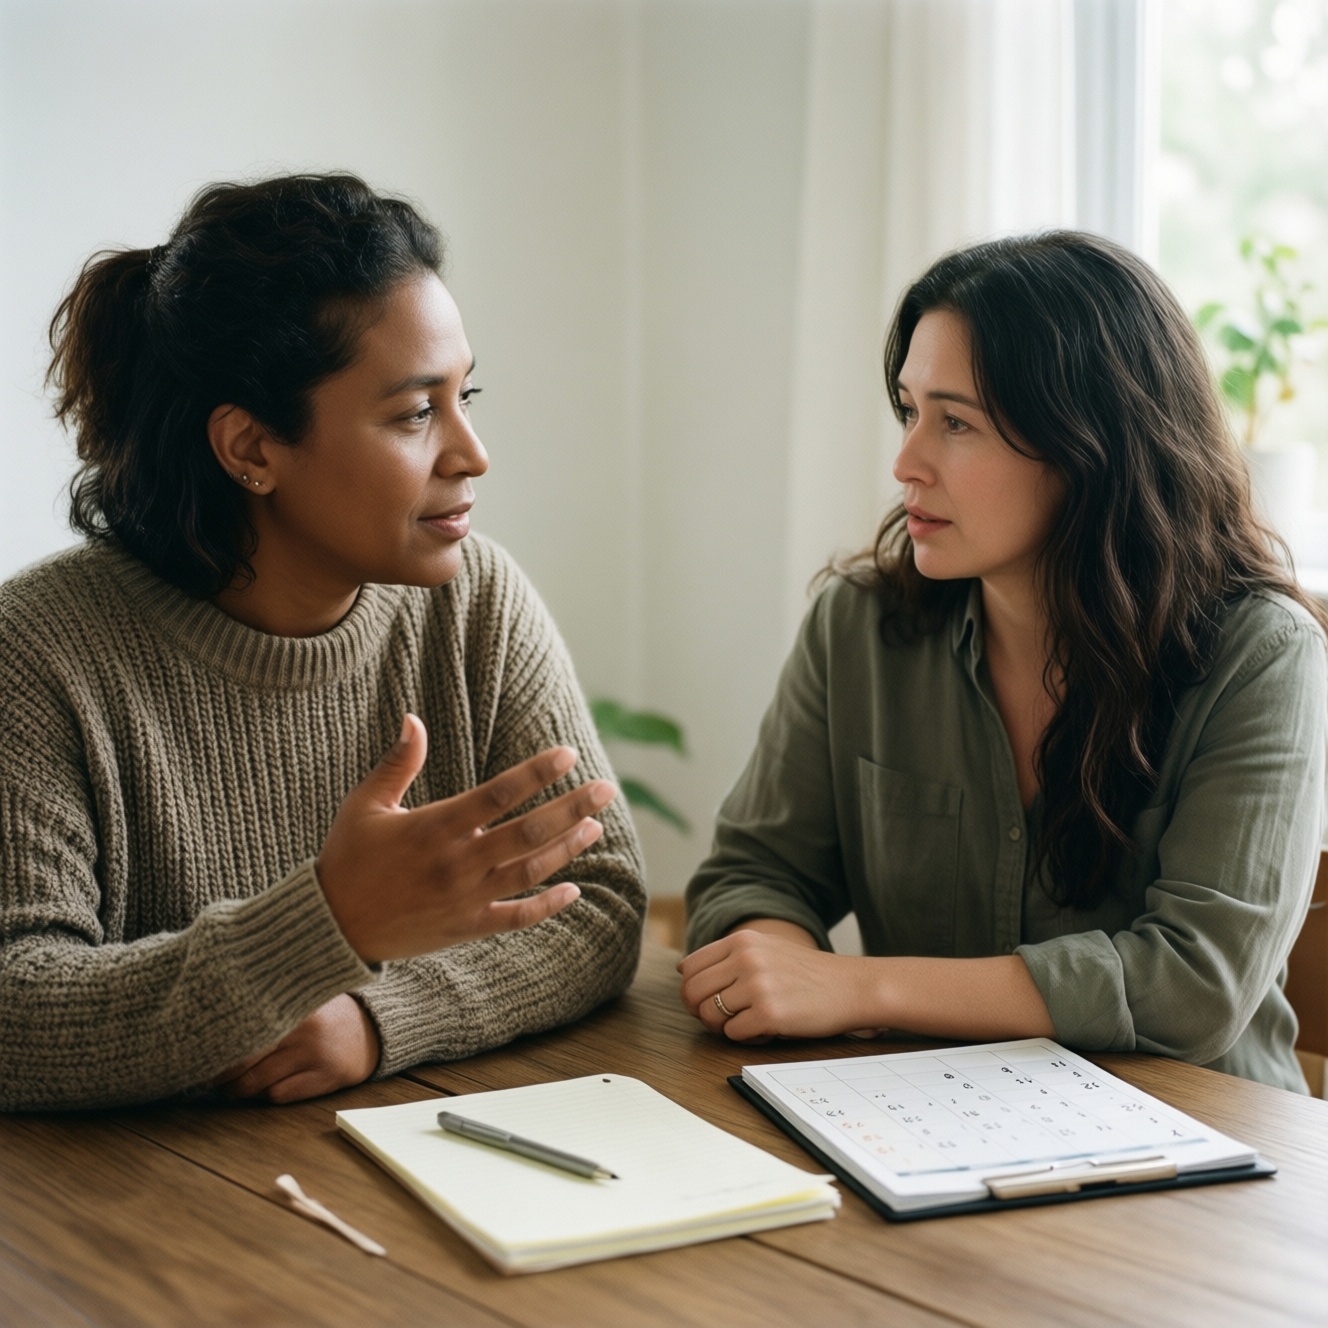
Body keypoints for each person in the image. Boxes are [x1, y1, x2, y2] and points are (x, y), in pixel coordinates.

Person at [0, 173, 645, 1112]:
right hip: (141, 1221)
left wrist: (380, 1019)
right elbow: (15, 1008)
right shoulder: (38, 656)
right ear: (252, 450)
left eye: (466, 395)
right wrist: (324, 924)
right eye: (416, 412)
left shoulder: (476, 604)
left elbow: (603, 900)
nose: (472, 452)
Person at [680, 230, 1327, 1093]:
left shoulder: (1262, 657)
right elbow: (753, 874)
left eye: (957, 424)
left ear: (1089, 446)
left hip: (1208, 1159)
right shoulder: (860, 627)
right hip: (924, 1119)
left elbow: (1193, 985)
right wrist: (777, 963)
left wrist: (861, 985)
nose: (907, 463)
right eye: (910, 412)